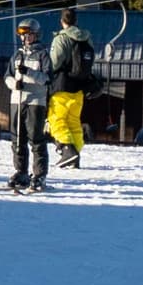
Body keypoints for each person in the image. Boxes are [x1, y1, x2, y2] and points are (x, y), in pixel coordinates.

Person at [45, 13, 99, 168]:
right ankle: (76, 152)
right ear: (76, 21)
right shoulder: (87, 38)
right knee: (74, 121)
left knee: (57, 119)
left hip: (62, 85)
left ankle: (67, 150)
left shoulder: (61, 38)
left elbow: (55, 62)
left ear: (62, 21)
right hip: (80, 87)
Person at [3, 19, 50, 192]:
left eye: (29, 35)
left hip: (35, 102)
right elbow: (7, 76)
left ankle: (39, 175)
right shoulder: (17, 55)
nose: (26, 38)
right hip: (17, 100)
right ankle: (20, 171)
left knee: (36, 138)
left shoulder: (42, 54)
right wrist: (14, 84)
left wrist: (29, 72)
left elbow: (47, 78)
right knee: (17, 138)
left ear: (36, 35)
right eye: (23, 35)